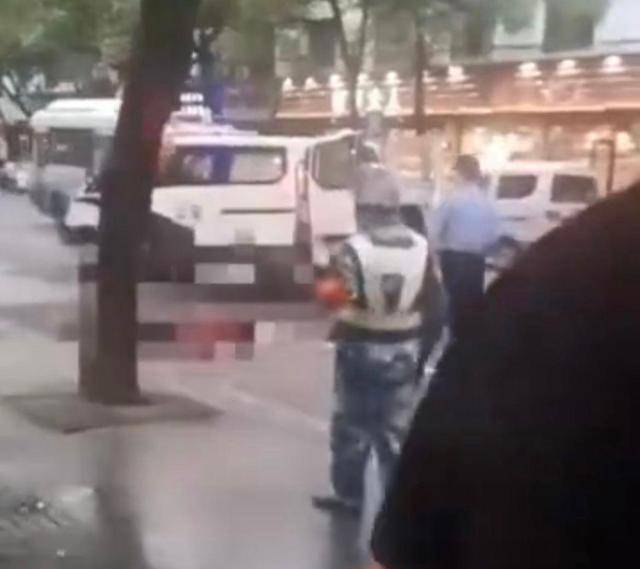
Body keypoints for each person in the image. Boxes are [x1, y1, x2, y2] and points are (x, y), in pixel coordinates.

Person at [371, 183, 640, 569]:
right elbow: (438, 303)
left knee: (358, 425)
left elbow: (409, 539)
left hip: (377, 344)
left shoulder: (564, 278)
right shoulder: (557, 275)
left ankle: (351, 487)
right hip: (428, 320)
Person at [313, 164, 443, 516]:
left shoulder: (352, 249)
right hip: (404, 349)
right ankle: (398, 504)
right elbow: (436, 306)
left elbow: (333, 300)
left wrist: (323, 275)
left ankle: (350, 496)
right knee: (395, 433)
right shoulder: (422, 248)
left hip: (358, 347)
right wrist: (422, 354)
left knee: (351, 429)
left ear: (366, 209)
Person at [432, 155, 499, 338]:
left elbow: (435, 230)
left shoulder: (452, 199)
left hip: (453, 258)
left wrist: (433, 257)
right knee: (472, 303)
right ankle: (470, 340)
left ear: (460, 173)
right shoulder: (486, 201)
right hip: (477, 259)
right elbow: (494, 235)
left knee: (453, 302)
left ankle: (453, 341)